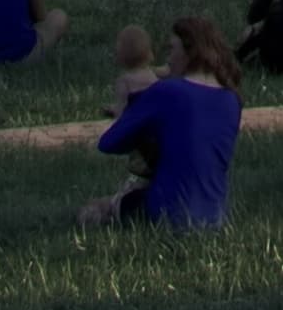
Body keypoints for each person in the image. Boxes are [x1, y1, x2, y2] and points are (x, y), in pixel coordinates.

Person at [85, 15, 246, 228]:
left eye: (172, 50)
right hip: (215, 216)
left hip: (167, 212)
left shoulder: (167, 91)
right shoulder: (231, 99)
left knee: (93, 209)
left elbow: (109, 142)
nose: (168, 59)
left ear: (190, 52)